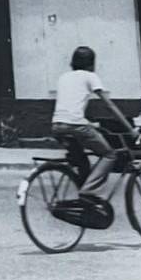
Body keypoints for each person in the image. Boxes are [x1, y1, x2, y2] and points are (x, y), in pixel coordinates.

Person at [51, 46, 120, 202]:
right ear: (91, 64)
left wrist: (90, 124)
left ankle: (84, 204)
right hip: (76, 126)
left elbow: (69, 106)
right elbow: (109, 105)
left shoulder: (63, 77)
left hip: (57, 126)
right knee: (109, 154)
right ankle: (88, 192)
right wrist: (130, 129)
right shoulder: (90, 76)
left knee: (83, 163)